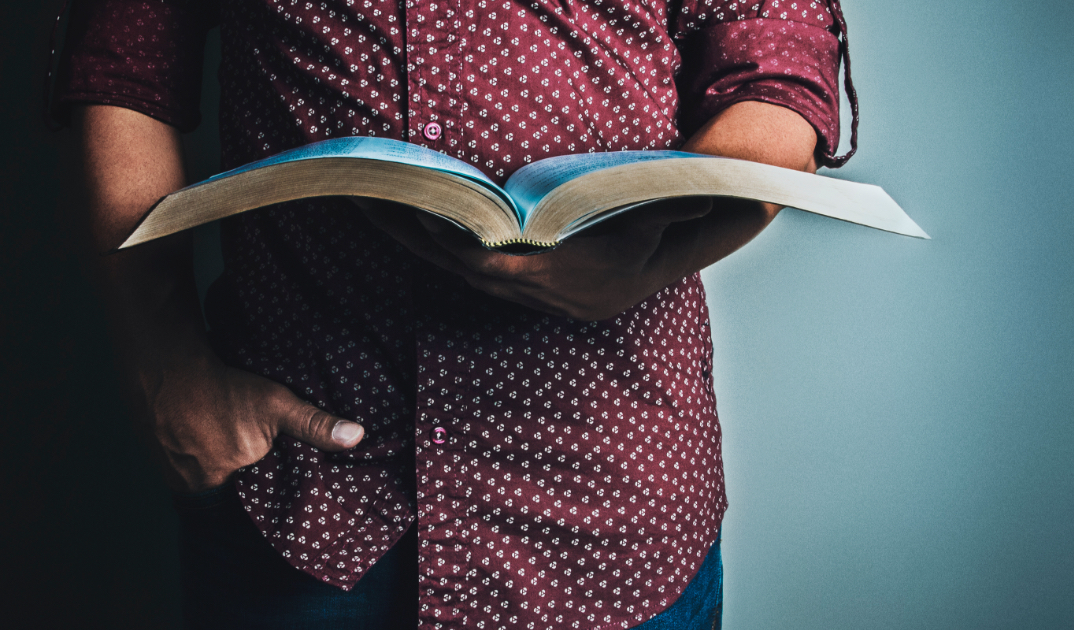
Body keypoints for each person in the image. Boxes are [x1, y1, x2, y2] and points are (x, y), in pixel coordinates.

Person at [52, 0, 856, 627]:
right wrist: (165, 369)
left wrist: (644, 261)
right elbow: (122, 77)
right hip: (305, 496)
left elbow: (776, 79)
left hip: (608, 492)